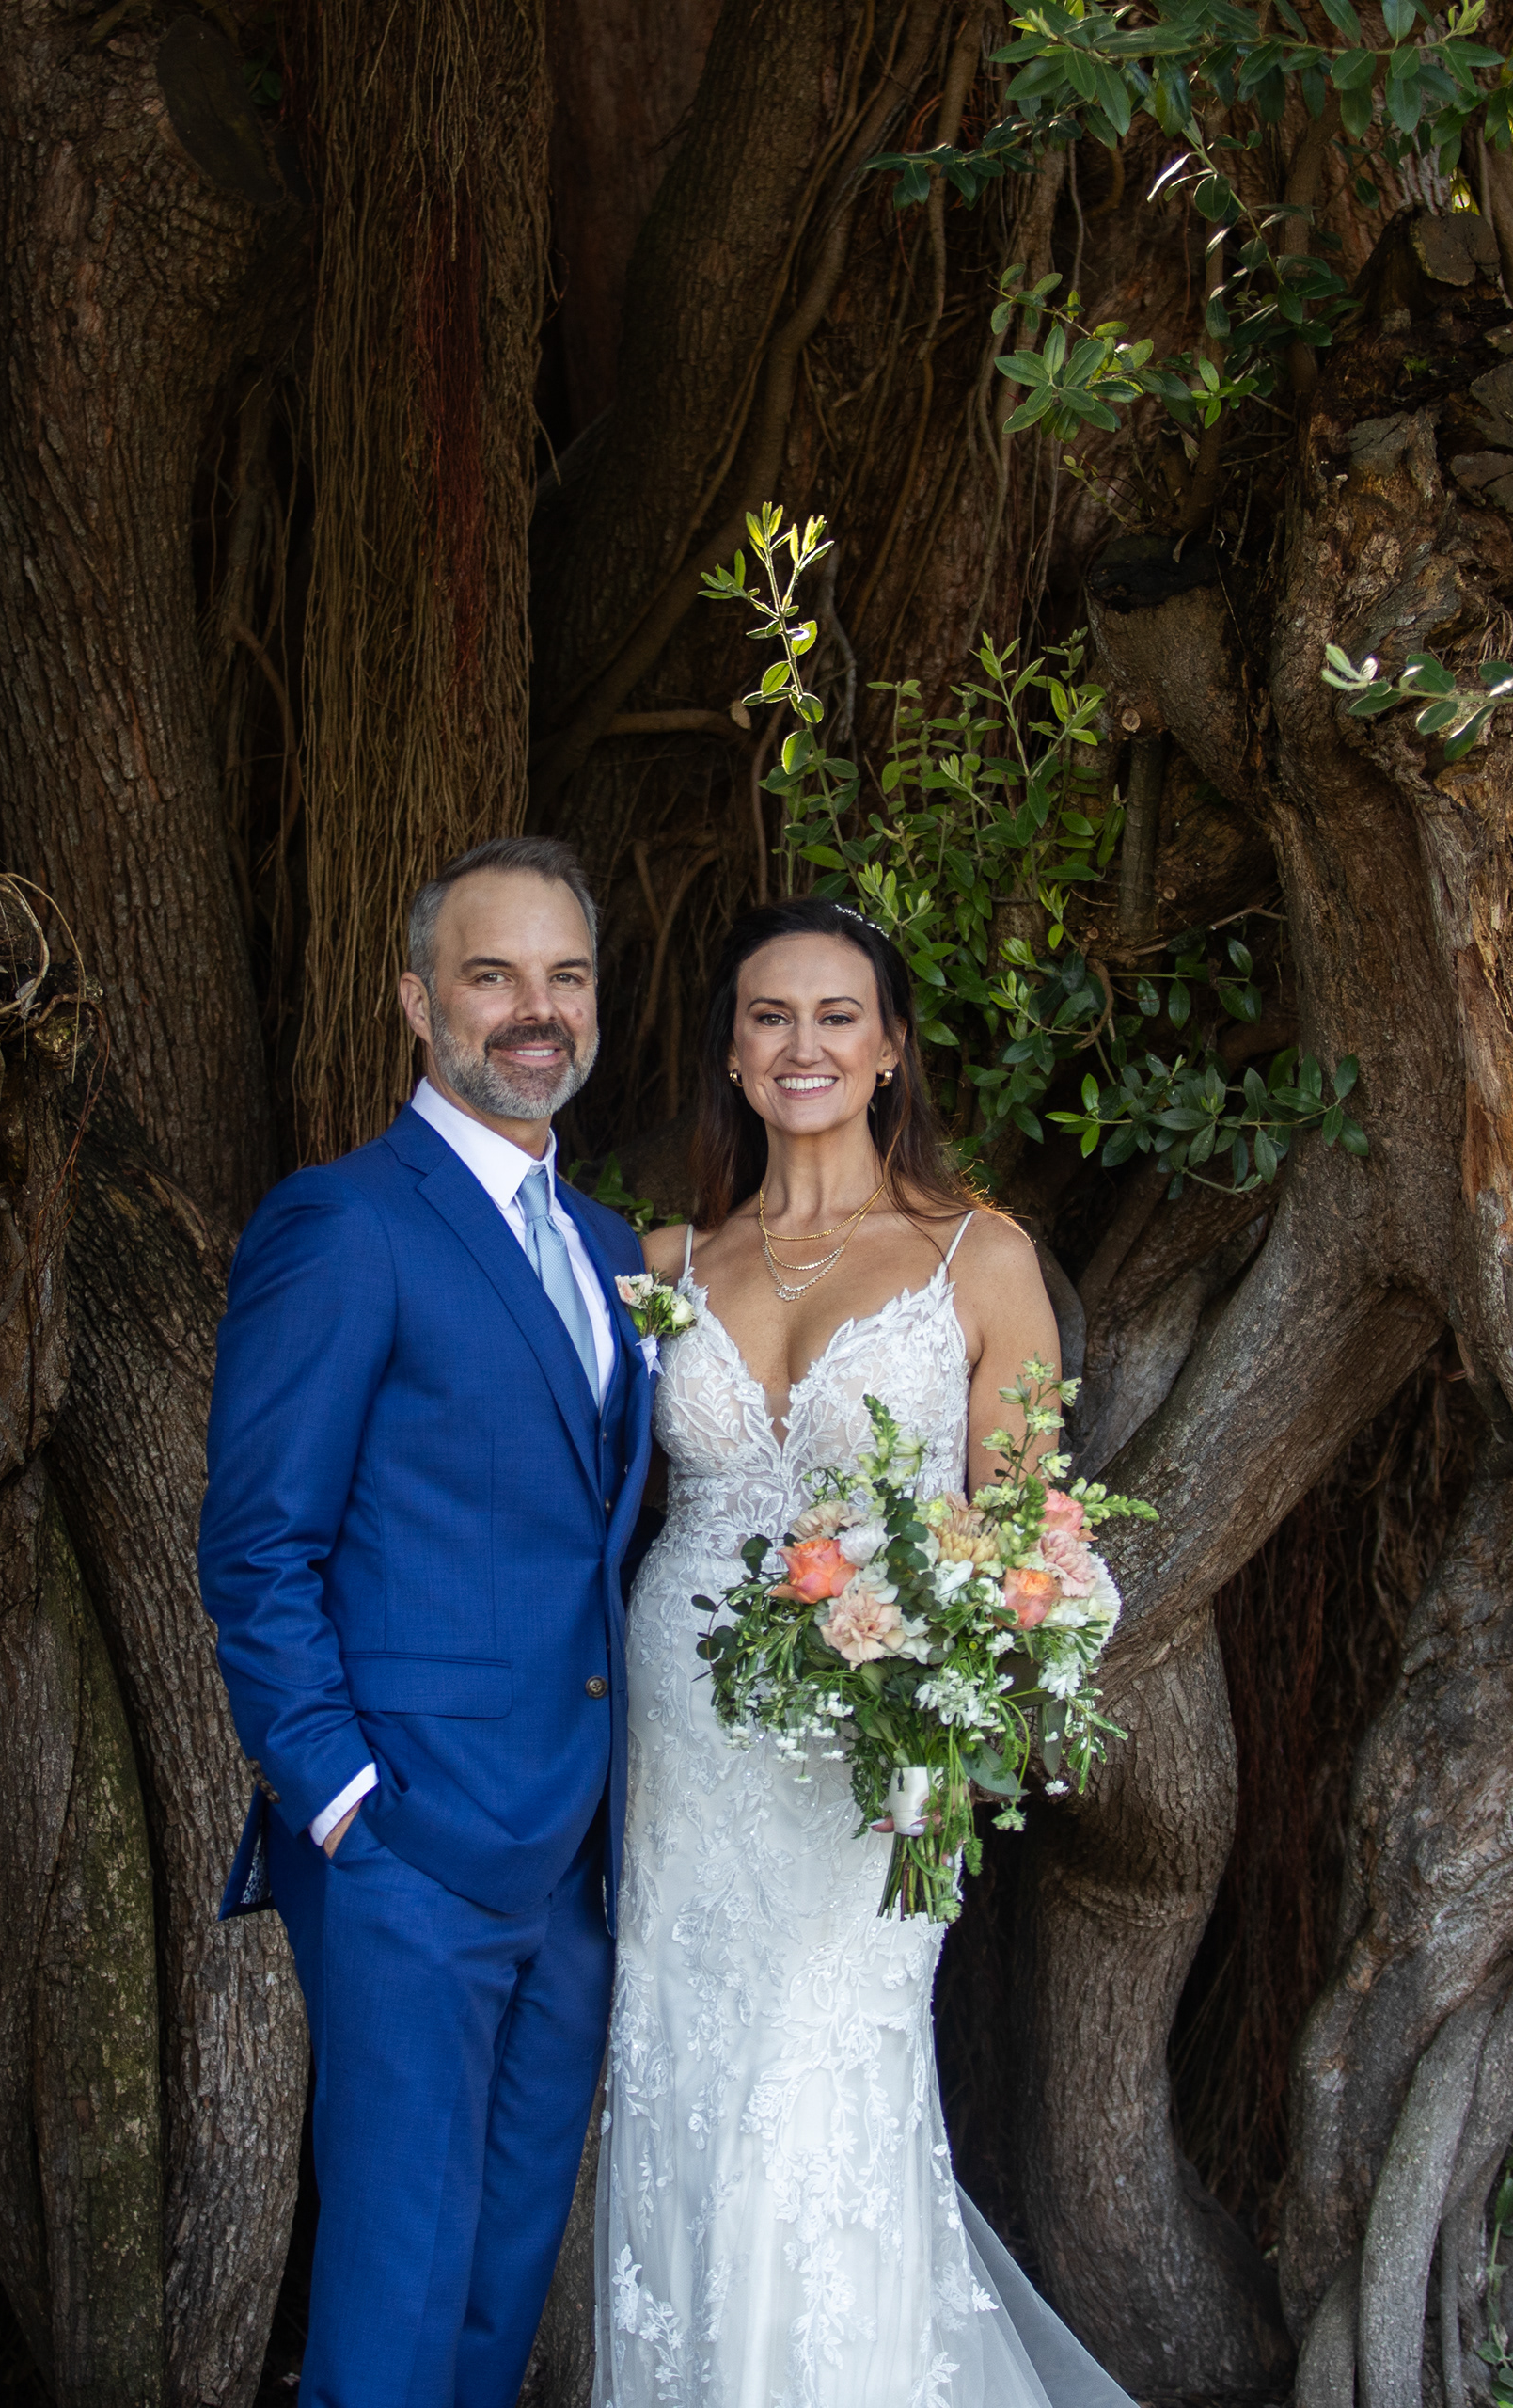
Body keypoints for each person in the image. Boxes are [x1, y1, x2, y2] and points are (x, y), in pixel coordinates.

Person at [593, 894, 1138, 2408]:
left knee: (812, 2084)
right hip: (687, 1741)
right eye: (771, 1016)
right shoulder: (663, 1261)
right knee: (687, 2071)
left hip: (877, 1754)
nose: (805, 1043)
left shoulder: (981, 1256)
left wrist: (961, 1674)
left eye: (840, 1015)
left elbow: (1032, 1537)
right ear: (732, 1053)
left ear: (892, 1048)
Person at [200, 835, 657, 2408]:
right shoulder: (344, 1227)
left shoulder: (608, 1250)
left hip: (578, 1854)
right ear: (418, 1001)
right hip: (406, 1849)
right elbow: (260, 1549)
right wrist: (341, 1807)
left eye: (567, 977)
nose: (537, 1012)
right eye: (493, 975)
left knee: (496, 2291)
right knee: (396, 2298)